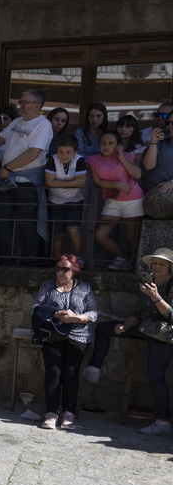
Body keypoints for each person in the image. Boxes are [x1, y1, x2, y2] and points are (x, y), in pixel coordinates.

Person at [83, 248, 173, 436]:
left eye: (161, 264)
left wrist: (156, 297)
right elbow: (138, 313)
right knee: (103, 329)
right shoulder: (149, 283)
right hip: (143, 329)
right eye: (154, 263)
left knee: (156, 376)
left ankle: (163, 421)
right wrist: (124, 326)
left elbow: (171, 316)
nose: (156, 267)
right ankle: (94, 368)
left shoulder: (170, 285)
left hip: (163, 334)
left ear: (170, 268)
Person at [0, 89, 53, 264]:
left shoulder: (43, 125)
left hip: (27, 181)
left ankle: (29, 262)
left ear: (37, 105)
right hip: (9, 180)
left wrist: (8, 167)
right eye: (20, 102)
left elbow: (33, 154)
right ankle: (7, 259)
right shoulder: (16, 121)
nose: (20, 105)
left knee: (26, 223)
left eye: (24, 102)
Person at [32, 256, 97, 430]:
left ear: (74, 271)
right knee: (54, 371)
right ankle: (51, 412)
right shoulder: (47, 285)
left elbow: (93, 313)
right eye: (58, 268)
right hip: (53, 333)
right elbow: (36, 307)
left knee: (71, 372)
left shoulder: (84, 288)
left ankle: (69, 413)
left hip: (79, 335)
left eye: (65, 269)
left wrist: (76, 318)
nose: (61, 272)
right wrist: (55, 314)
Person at [85, 129, 143, 271]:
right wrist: (117, 184)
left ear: (118, 145)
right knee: (100, 234)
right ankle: (123, 258)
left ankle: (133, 265)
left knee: (131, 236)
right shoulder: (92, 160)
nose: (106, 146)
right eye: (103, 143)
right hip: (112, 201)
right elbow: (98, 181)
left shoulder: (127, 156)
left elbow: (138, 174)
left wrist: (122, 157)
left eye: (110, 143)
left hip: (133, 199)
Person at [45, 136, 87, 263]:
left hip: (75, 201)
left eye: (68, 152)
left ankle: (78, 261)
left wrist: (57, 182)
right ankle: (58, 263)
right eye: (61, 152)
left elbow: (81, 183)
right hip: (54, 202)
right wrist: (73, 183)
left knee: (74, 231)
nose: (64, 155)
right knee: (57, 235)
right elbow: (49, 182)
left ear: (75, 152)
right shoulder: (52, 160)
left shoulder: (79, 160)